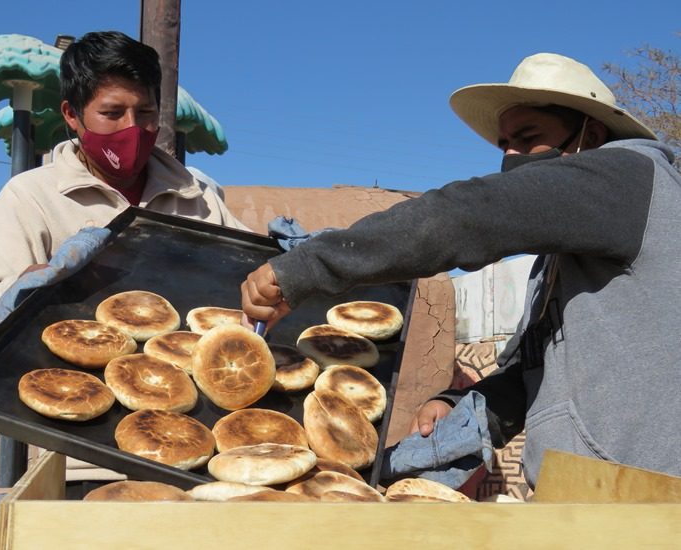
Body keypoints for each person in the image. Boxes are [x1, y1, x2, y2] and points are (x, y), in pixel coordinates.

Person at [241, 52, 681, 488]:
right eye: (504, 144)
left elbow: (464, 216)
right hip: (582, 495)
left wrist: (308, 266)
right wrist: (464, 404)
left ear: (591, 133)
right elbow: (533, 373)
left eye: (529, 138)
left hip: (654, 493)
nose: (511, 156)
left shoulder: (630, 176)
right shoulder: (558, 265)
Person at [0, 30, 248, 350]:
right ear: (72, 115)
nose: (131, 129)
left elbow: (251, 282)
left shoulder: (197, 197)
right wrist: (22, 293)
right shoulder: (31, 197)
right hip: (68, 383)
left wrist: (284, 269)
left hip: (182, 378)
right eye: (112, 113)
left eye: (145, 113)